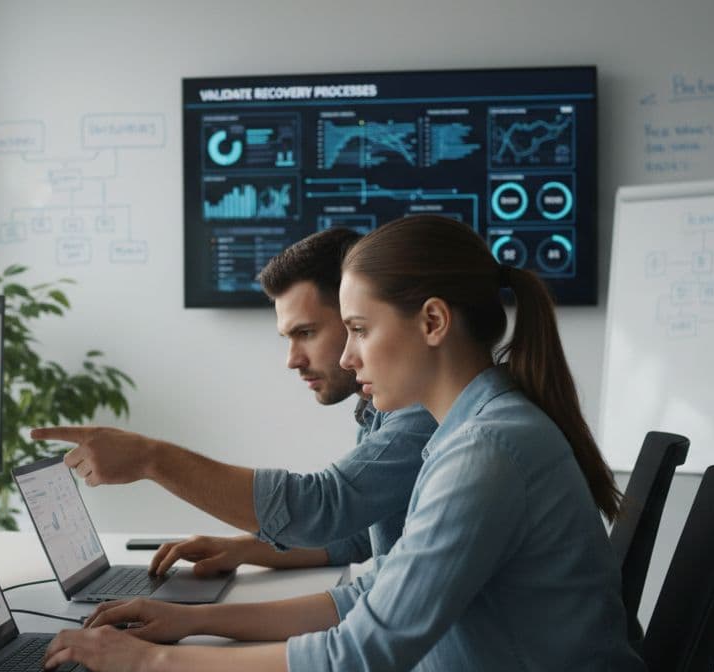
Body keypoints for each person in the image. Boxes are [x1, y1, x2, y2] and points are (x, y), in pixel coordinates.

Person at [37, 215, 652, 672]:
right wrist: (187, 621)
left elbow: (350, 667)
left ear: (433, 321)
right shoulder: (470, 435)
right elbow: (371, 597)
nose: (349, 356)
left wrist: (149, 662)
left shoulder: (485, 454)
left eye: (357, 328)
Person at [30, 226, 436, 577]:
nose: (292, 359)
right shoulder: (380, 410)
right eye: (288, 338)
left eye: (307, 332)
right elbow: (354, 534)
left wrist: (149, 458)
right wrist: (245, 549)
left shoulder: (424, 413)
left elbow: (324, 507)